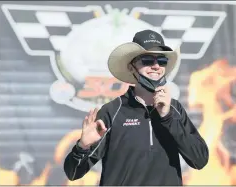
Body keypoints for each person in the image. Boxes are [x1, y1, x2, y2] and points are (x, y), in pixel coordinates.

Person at [63, 29, 209, 186]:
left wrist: (168, 117)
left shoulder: (175, 109)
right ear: (131, 67)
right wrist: (82, 146)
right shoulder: (112, 111)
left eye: (162, 61)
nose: (156, 66)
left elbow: (199, 160)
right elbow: (73, 173)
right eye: (147, 60)